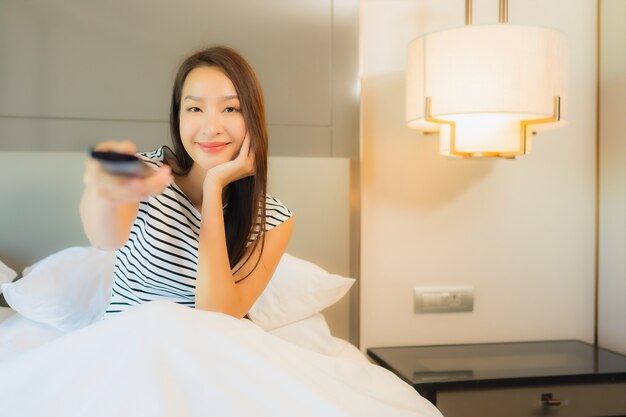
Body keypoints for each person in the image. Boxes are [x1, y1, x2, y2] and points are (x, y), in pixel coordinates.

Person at [80, 46, 294, 319]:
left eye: (230, 108)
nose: (210, 127)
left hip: (207, 353)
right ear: (178, 117)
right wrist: (103, 192)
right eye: (195, 108)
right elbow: (105, 238)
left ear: (252, 119)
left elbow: (218, 316)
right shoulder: (146, 175)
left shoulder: (274, 220)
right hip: (132, 348)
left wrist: (213, 187)